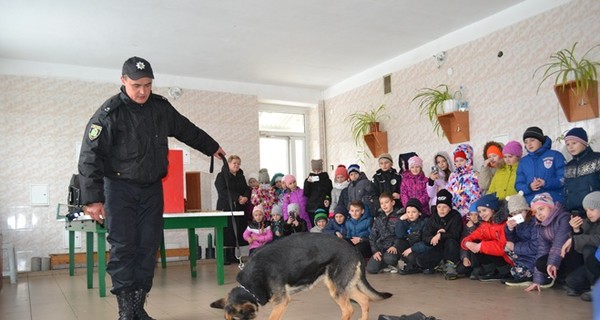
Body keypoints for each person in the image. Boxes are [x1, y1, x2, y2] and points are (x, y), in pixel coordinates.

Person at [78, 56, 225, 320]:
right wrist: (93, 199)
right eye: (137, 85)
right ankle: (126, 312)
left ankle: (138, 308)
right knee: (124, 247)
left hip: (151, 189)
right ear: (123, 81)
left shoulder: (160, 108)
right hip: (119, 189)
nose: (143, 91)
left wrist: (211, 146)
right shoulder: (109, 113)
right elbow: (90, 156)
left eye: (148, 84)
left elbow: (186, 130)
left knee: (148, 247)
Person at [525, 193, 577, 292]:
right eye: (535, 212)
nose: (539, 214)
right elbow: (542, 250)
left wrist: (552, 263)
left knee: (566, 254)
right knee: (541, 262)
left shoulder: (564, 217)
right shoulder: (541, 226)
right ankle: (561, 278)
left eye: (541, 209)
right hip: (559, 256)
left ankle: (570, 278)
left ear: (550, 206)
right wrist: (537, 281)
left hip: (572, 254)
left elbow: (559, 243)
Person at [461, 193, 513, 281]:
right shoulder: (485, 224)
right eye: (480, 212)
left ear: (493, 209)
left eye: (484, 210)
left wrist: (481, 246)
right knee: (476, 241)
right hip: (498, 258)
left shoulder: (504, 224)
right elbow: (473, 235)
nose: (481, 214)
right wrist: (466, 243)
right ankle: (491, 271)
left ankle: (505, 272)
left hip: (508, 260)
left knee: (483, 245)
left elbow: (503, 247)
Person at [417, 189, 463, 280]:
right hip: (437, 248)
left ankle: (451, 265)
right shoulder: (433, 218)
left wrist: (441, 235)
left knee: (451, 242)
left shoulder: (455, 216)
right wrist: (433, 237)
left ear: (449, 207)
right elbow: (425, 236)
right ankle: (439, 263)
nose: (441, 210)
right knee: (420, 260)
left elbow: (456, 234)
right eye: (439, 207)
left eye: (444, 207)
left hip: (451, 248)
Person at [562, 191, 600, 299]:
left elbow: (596, 240)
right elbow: (580, 245)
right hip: (592, 265)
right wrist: (576, 230)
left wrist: (574, 239)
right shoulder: (588, 222)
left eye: (592, 210)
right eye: (586, 210)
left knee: (589, 249)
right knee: (571, 282)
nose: (588, 213)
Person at [215, 155, 251, 265]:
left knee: (236, 231)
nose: (237, 165)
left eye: (238, 164)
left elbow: (246, 188)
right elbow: (222, 190)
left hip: (239, 207)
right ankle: (225, 256)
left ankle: (233, 255)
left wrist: (245, 197)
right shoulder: (221, 176)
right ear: (228, 164)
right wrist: (237, 197)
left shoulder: (241, 176)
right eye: (234, 163)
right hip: (225, 207)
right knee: (227, 231)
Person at [515, 126, 566, 203]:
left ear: (540, 141)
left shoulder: (556, 156)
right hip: (531, 203)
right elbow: (518, 184)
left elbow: (564, 179)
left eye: (532, 140)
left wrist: (546, 183)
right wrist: (529, 187)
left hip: (553, 201)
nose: (529, 144)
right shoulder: (523, 162)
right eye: (526, 142)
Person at [502, 191, 538, 287]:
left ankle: (530, 272)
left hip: (534, 257)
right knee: (506, 247)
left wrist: (515, 247)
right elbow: (511, 241)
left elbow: (535, 247)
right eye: (514, 213)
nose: (518, 216)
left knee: (517, 272)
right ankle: (520, 267)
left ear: (527, 210)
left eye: (520, 212)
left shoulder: (534, 223)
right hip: (523, 254)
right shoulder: (517, 223)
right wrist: (510, 229)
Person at [563, 127, 600, 218]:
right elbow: (566, 189)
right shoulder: (568, 166)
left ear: (584, 143)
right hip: (575, 213)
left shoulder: (597, 159)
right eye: (567, 144)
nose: (570, 147)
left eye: (574, 143)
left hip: (594, 211)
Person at [366, 193, 401, 274]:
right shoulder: (378, 218)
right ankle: (384, 265)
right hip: (381, 249)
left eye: (386, 202)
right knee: (371, 269)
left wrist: (395, 246)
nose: (384, 205)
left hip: (393, 248)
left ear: (392, 203)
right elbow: (372, 236)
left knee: (389, 258)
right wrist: (375, 251)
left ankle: (392, 263)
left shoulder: (399, 217)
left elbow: (401, 235)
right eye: (382, 203)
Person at [396, 198, 431, 275]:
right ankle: (409, 264)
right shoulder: (406, 221)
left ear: (419, 213)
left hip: (422, 249)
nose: (410, 214)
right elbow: (399, 235)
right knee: (398, 242)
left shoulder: (425, 222)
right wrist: (400, 221)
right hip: (411, 247)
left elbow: (427, 243)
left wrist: (412, 249)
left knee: (411, 257)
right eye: (408, 212)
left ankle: (416, 266)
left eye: (414, 212)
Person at [447, 143, 481, 217]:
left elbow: (477, 193)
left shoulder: (474, 175)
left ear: (468, 160)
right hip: (454, 211)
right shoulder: (453, 175)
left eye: (461, 160)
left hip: (470, 211)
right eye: (456, 161)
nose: (459, 163)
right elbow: (449, 190)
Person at [456, 202, 480, 278]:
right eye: (471, 214)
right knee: (460, 269)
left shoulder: (482, 224)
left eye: (476, 214)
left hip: (479, 254)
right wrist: (465, 258)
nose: (474, 217)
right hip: (469, 254)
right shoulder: (467, 225)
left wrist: (472, 228)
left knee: (474, 243)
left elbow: (478, 238)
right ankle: (471, 266)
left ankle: (477, 267)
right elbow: (463, 242)